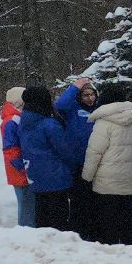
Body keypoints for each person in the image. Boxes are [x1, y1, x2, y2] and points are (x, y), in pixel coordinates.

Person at [82, 84, 132, 245]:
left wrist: (86, 177)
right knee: (131, 224)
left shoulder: (104, 123)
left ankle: (109, 255)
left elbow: (94, 153)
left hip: (107, 183)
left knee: (108, 226)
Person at [17, 85, 74, 231]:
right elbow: (65, 149)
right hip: (56, 177)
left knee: (41, 216)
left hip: (35, 176)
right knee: (58, 219)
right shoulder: (49, 124)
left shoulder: (23, 123)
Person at [55, 77, 100, 234]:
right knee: (79, 200)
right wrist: (75, 87)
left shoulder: (99, 110)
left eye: (92, 94)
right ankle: (79, 232)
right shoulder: (73, 109)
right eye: (85, 95)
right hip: (77, 163)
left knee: (96, 201)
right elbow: (60, 105)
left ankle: (94, 231)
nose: (89, 98)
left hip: (97, 163)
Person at [0, 87, 34, 228]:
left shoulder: (16, 117)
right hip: (19, 169)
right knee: (26, 203)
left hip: (20, 167)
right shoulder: (11, 120)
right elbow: (10, 148)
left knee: (27, 202)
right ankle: (26, 229)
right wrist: (21, 165)